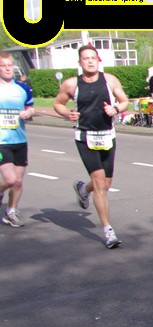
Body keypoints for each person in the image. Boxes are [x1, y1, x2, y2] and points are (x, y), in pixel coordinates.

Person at [53, 44, 130, 249]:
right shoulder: (71, 84)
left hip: (107, 136)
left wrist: (116, 109)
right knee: (99, 183)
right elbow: (58, 103)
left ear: (98, 60)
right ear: (80, 62)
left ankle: (82, 189)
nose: (90, 61)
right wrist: (67, 113)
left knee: (106, 184)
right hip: (85, 137)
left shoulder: (110, 80)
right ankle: (108, 231)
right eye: (86, 58)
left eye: (93, 58)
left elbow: (124, 101)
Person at [0, 52, 35, 228]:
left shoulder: (22, 88)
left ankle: (11, 212)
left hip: (19, 140)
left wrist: (28, 113)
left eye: (10, 65)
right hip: (1, 141)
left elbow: (31, 107)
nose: (8, 69)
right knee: (10, 179)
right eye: (3, 66)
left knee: (18, 182)